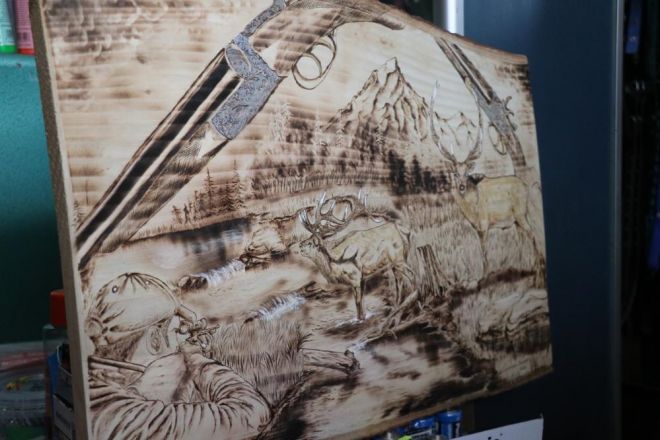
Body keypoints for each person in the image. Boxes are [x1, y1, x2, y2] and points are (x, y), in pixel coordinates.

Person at [85, 272, 271, 439]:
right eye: (173, 332)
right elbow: (252, 412)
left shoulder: (95, 390)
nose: (178, 341)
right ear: (155, 339)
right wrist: (195, 358)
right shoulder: (133, 419)